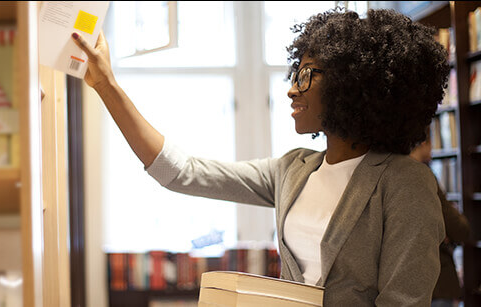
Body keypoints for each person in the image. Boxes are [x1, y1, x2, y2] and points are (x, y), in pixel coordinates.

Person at [71, 7, 449, 306]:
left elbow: (404, 302)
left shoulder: (404, 183)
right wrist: (106, 84)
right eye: (294, 73)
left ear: (354, 84)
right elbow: (181, 172)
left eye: (305, 75)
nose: (290, 90)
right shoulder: (293, 169)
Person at [409, 127, 471, 307]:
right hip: (436, 281)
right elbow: (460, 229)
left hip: (408, 284)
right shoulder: (424, 177)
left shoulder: (387, 176)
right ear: (423, 142)